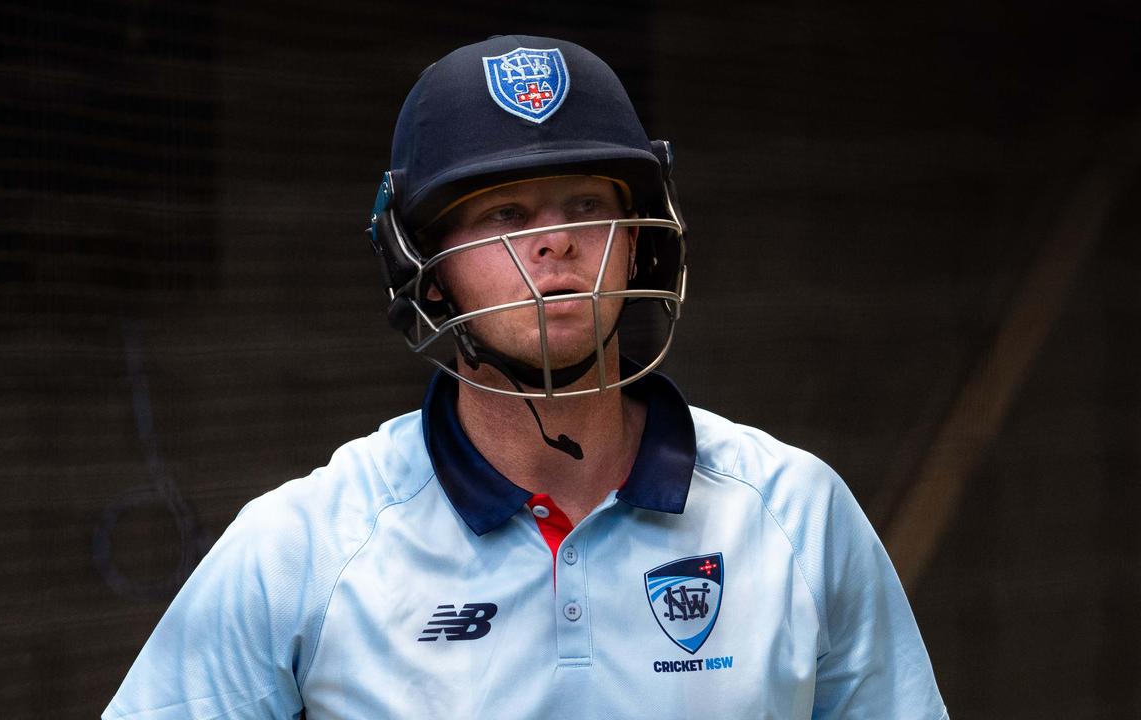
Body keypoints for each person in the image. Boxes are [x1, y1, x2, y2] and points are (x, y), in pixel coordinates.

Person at [104, 35, 947, 719]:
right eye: (504, 215)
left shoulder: (797, 514)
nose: (555, 244)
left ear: (641, 241)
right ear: (425, 267)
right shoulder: (303, 549)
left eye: (586, 206)